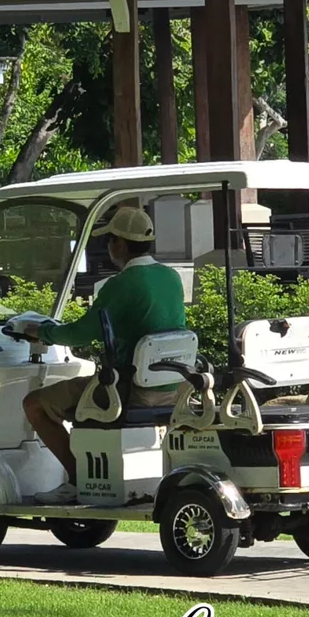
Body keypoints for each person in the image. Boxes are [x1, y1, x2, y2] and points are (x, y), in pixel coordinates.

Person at [23, 205, 186, 505]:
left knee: (35, 404)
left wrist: (40, 332)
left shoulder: (121, 284)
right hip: (171, 389)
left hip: (129, 391)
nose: (107, 246)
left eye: (109, 239)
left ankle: (77, 479)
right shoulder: (171, 277)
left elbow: (79, 334)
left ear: (120, 244)